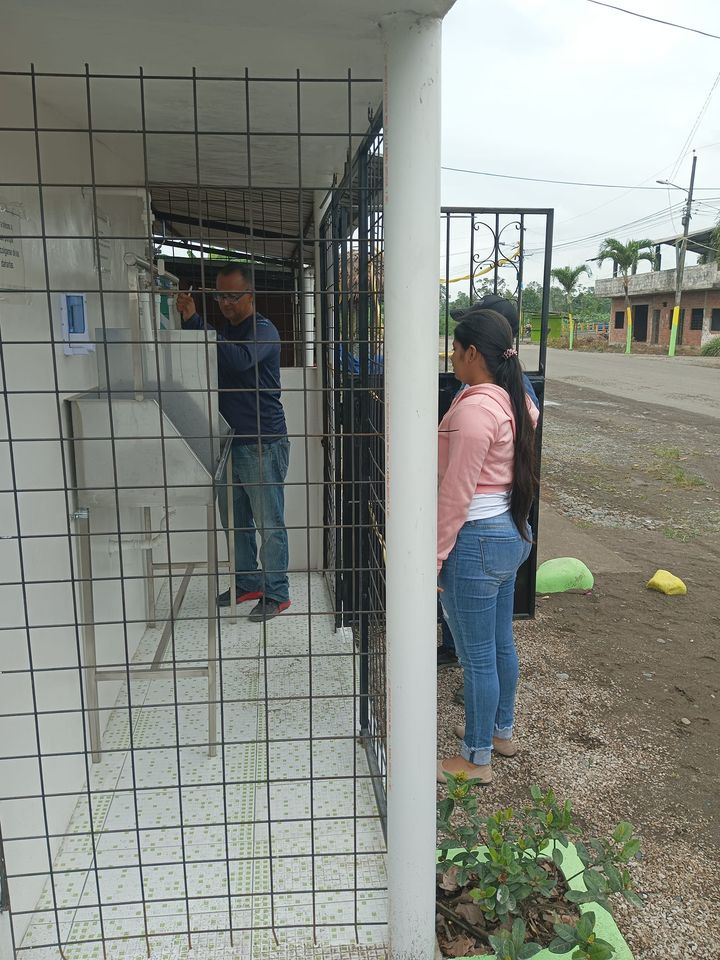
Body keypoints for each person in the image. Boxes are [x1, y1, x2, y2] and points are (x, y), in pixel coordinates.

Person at [436, 309, 539, 786]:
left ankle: (476, 759)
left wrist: (434, 557)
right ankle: (500, 732)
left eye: (455, 350)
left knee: (477, 656)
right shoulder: (513, 399)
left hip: (476, 541)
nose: (452, 357)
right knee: (499, 645)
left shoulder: (475, 411)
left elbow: (455, 494)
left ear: (473, 352)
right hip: (508, 533)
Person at [177, 263, 291, 623]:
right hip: (228, 441)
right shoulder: (227, 331)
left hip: (262, 443)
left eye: (232, 296)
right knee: (235, 520)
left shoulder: (263, 330)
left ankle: (277, 593)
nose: (225, 302)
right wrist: (191, 323)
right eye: (219, 296)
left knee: (269, 524)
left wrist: (198, 323)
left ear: (250, 295)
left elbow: (240, 361)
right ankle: (247, 583)